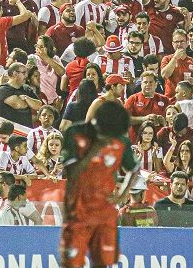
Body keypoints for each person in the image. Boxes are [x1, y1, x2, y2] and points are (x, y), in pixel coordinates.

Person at [60, 100, 138, 268]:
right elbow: (71, 173)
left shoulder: (120, 140)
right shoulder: (74, 132)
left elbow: (134, 169)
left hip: (105, 212)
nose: (112, 139)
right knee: (70, 264)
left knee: (103, 263)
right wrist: (96, 149)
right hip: (77, 211)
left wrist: (123, 193)